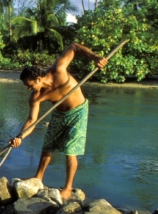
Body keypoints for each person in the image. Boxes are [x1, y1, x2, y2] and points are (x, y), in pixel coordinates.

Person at [8, 42, 107, 199]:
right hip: (59, 114)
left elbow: (74, 47)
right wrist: (20, 137)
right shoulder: (35, 97)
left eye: (30, 85)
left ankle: (68, 188)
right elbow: (31, 120)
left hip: (78, 112)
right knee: (48, 145)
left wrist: (95, 57)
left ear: (39, 79)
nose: (29, 89)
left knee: (70, 150)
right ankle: (38, 177)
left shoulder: (59, 70)